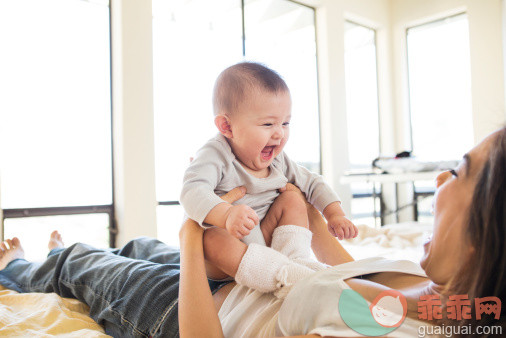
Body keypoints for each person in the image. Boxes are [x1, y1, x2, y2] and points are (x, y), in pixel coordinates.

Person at [0, 127, 504, 337]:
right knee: (133, 247)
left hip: (202, 311)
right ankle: (60, 258)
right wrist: (303, 209)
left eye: (458, 171)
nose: (439, 179)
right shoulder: (429, 288)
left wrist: (192, 237)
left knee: (82, 264)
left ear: (487, 233)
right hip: (243, 260)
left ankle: (19, 266)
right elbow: (332, 267)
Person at [181, 61, 357, 287]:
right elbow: (192, 191)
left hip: (267, 239)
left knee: (293, 198)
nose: (279, 133)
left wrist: (335, 214)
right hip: (230, 250)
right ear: (227, 127)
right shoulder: (215, 154)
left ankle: (294, 262)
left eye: (285, 123)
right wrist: (225, 216)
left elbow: (313, 182)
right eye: (267, 124)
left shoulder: (278, 160)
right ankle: (276, 277)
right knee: (210, 238)